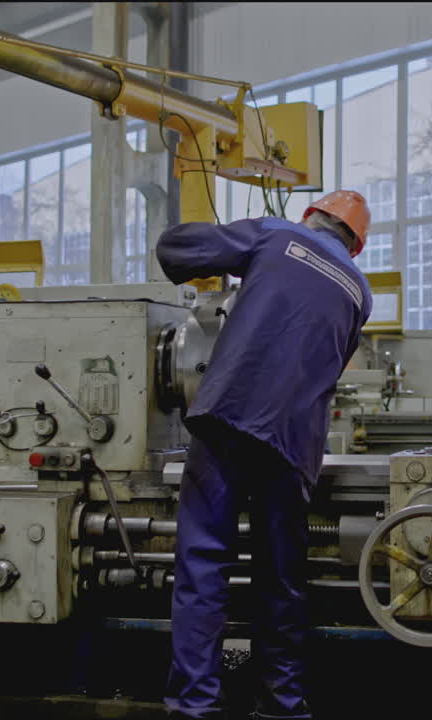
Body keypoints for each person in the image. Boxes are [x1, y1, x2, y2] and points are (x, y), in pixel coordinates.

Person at [156, 191, 373, 720]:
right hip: (295, 444)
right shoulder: (360, 293)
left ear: (312, 217)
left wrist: (219, 266)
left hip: (230, 413)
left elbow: (179, 249)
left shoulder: (278, 234)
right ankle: (281, 703)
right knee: (280, 578)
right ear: (356, 244)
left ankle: (194, 706)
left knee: (205, 564)